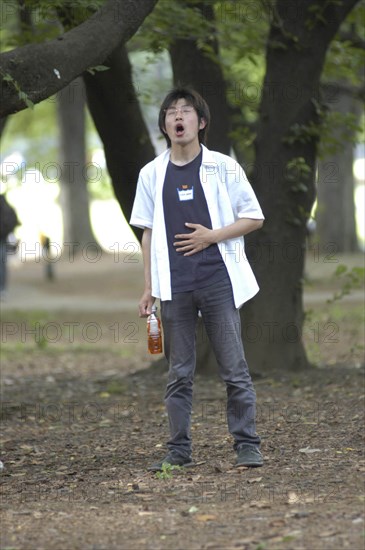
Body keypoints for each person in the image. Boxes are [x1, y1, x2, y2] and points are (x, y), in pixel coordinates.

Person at [130, 87, 265, 471]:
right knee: (178, 372)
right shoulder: (151, 174)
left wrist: (212, 235)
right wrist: (148, 288)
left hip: (217, 280)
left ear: (200, 122)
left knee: (234, 368)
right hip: (174, 286)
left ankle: (247, 444)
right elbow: (148, 233)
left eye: (185, 111)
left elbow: (254, 217)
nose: (178, 117)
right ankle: (178, 450)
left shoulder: (223, 166)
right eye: (171, 112)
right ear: (164, 125)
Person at [0, 193, 19, 300]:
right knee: (2, 265)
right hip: (3, 238)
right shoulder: (7, 207)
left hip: (3, 239)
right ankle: (2, 289)